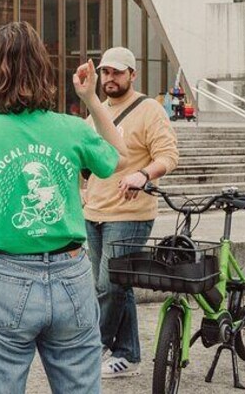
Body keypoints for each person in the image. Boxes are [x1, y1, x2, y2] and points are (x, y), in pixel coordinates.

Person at [0, 22, 128, 394]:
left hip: (4, 279)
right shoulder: (71, 128)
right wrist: (91, 98)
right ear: (43, 71)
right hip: (72, 276)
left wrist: (0, 218)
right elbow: (121, 156)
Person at [83, 47, 179, 379]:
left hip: (130, 213)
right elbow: (87, 162)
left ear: (132, 75)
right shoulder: (95, 112)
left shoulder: (149, 109)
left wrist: (143, 174)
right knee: (111, 286)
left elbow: (168, 155)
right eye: (106, 72)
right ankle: (127, 355)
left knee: (110, 286)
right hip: (93, 211)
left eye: (117, 72)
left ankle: (92, 347)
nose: (110, 78)